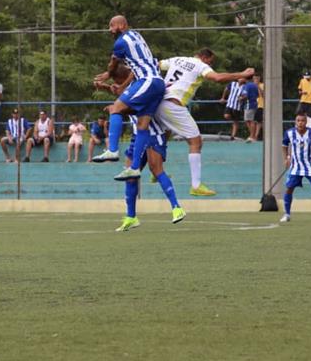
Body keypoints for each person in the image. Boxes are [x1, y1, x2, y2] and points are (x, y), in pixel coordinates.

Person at [154, 49, 254, 195]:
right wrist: (242, 74)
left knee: (165, 132)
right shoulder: (200, 65)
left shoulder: (177, 59)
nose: (210, 64)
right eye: (210, 61)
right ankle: (196, 185)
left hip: (158, 101)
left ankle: (156, 168)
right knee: (196, 142)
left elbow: (156, 65)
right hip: (173, 104)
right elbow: (218, 78)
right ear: (204, 57)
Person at [90, 16, 168, 183]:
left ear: (122, 24)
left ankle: (112, 149)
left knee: (115, 108)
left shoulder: (120, 42)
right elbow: (135, 65)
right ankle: (134, 169)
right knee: (142, 125)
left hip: (147, 81)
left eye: (112, 26)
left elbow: (113, 64)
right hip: (157, 83)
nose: (110, 30)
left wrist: (108, 74)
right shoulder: (137, 36)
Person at [115, 116, 186, 231]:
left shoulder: (147, 98)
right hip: (137, 136)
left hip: (153, 135)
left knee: (156, 170)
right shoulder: (125, 98)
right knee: (130, 176)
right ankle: (131, 217)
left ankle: (177, 208)